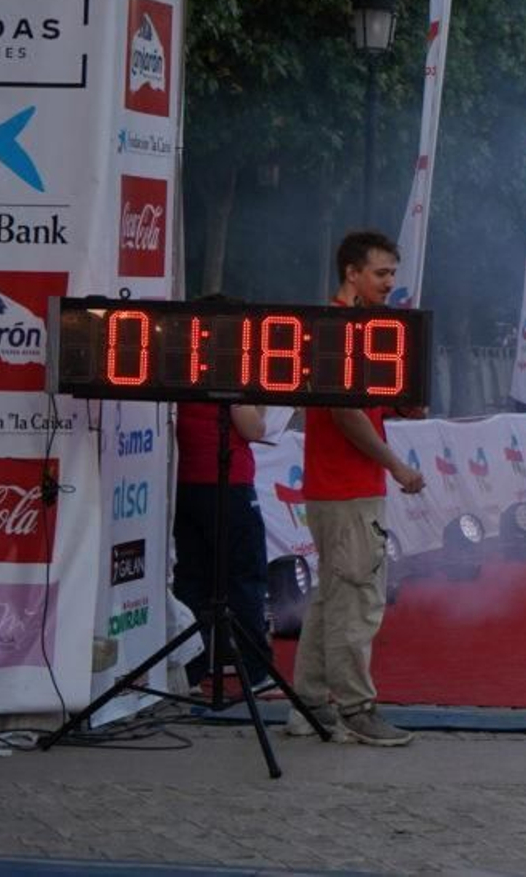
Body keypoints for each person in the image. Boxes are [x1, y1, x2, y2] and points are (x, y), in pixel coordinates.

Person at [286, 230, 426, 746]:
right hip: (346, 490)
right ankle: (355, 707)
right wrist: (396, 464)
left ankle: (311, 705)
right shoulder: (340, 329)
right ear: (352, 273)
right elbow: (345, 414)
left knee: (332, 599)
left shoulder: (351, 329)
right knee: (358, 602)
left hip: (336, 489)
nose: (390, 283)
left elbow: (358, 408)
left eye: (392, 273)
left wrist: (400, 406)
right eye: (381, 273)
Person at [172, 393, 273, 694]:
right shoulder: (229, 368)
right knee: (244, 576)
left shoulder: (184, 370)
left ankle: (191, 671)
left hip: (186, 481)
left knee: (192, 580)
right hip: (228, 482)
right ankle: (256, 672)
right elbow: (253, 428)